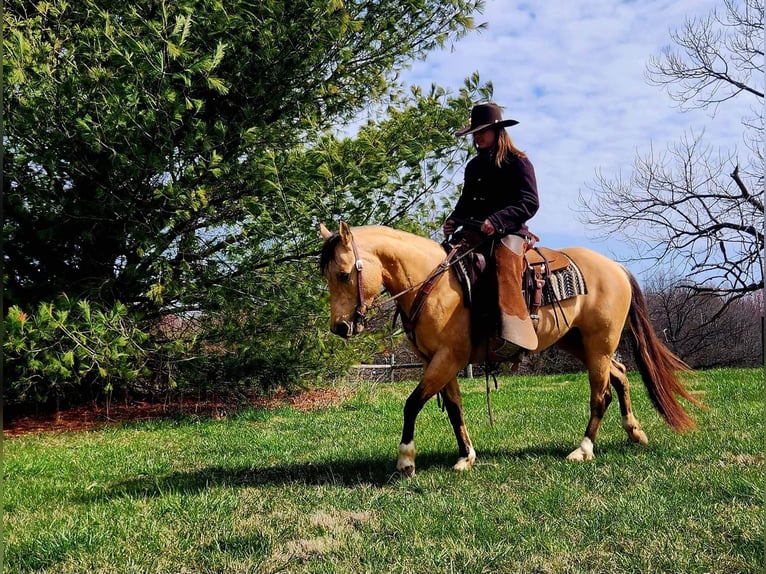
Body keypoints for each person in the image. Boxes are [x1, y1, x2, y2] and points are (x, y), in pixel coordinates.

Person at [444, 102, 540, 356]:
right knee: (446, 261)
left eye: (483, 130)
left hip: (509, 232)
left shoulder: (518, 162)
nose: (478, 136)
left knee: (503, 266)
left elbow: (530, 202)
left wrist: (497, 221)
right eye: (475, 132)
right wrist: (454, 219)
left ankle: (513, 335)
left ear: (498, 130)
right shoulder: (474, 167)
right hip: (476, 232)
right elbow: (466, 202)